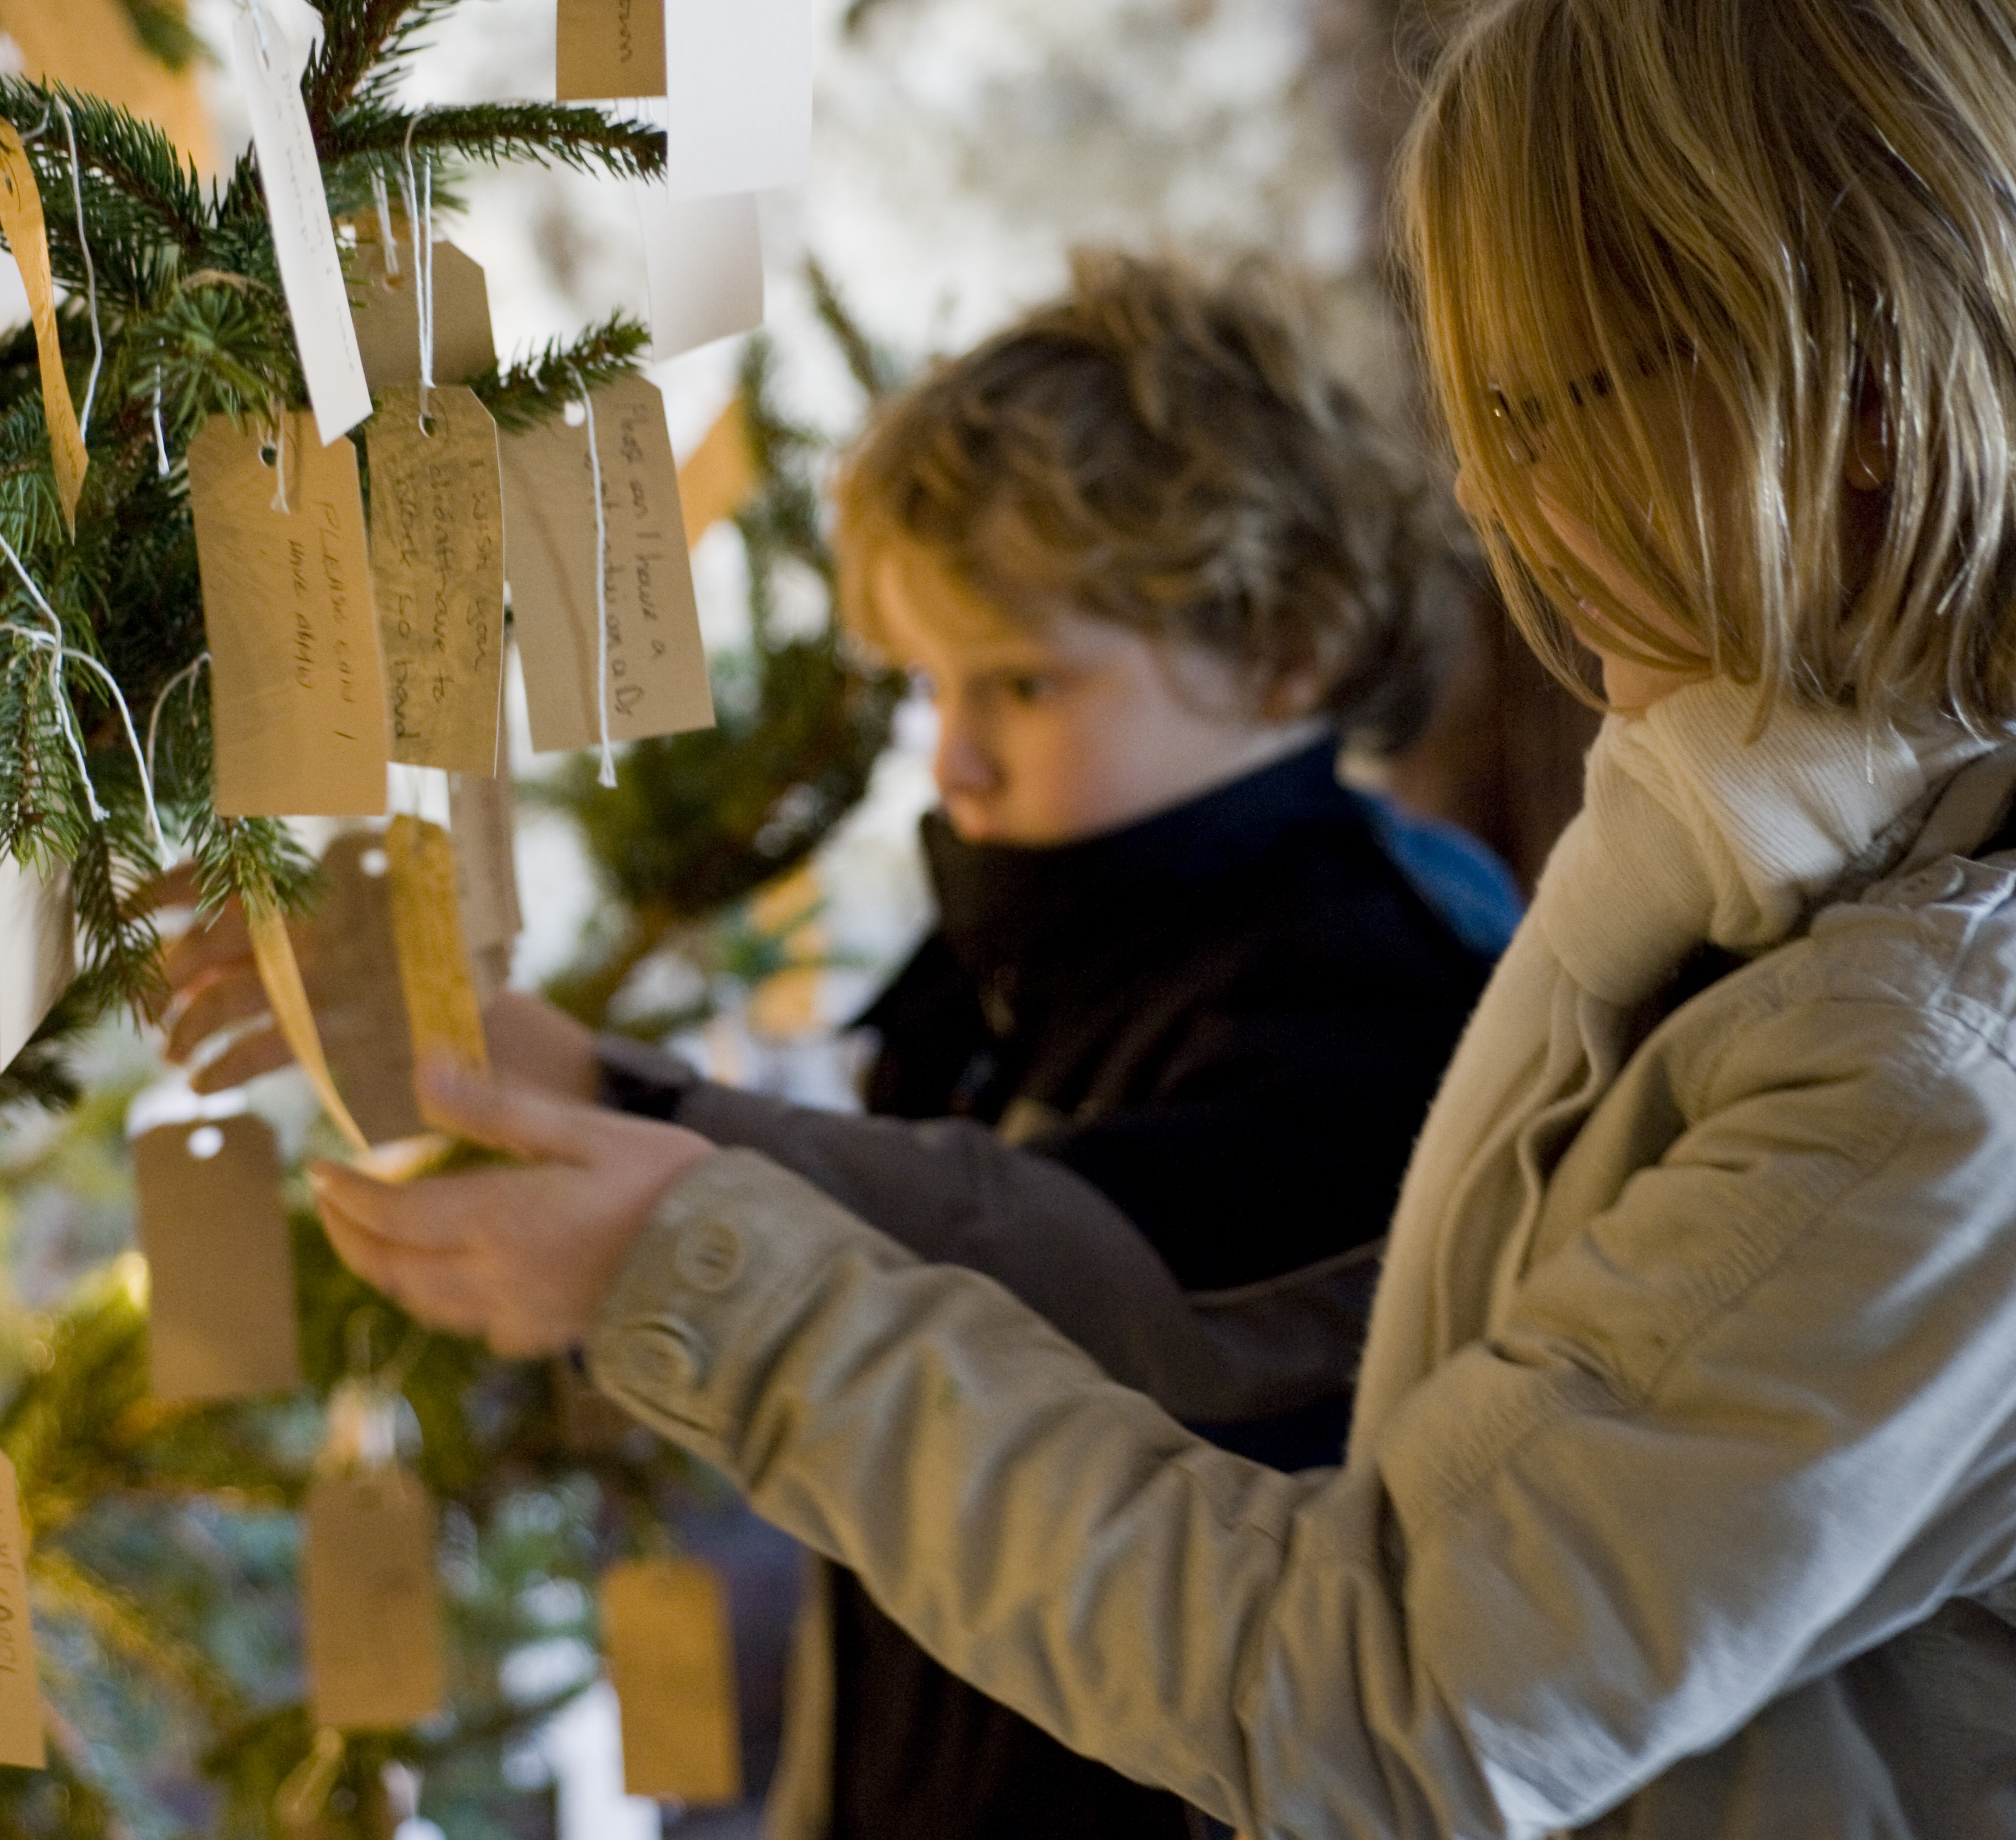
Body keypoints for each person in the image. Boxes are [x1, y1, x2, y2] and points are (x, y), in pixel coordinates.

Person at [311, 0, 2016, 1832]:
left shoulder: (1911, 1057)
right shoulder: (1747, 876)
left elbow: (1372, 1637)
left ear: (1853, 398)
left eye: (1547, 400)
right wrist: (647, 1125)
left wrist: (699, 1259)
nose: (1482, 485)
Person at [484, 255, 1513, 1840]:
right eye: (933, 688)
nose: (952, 760)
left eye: (1024, 683)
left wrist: (643, 1134)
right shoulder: (1010, 956)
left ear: (1287, 644)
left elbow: (1095, 1277)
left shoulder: (1382, 975)